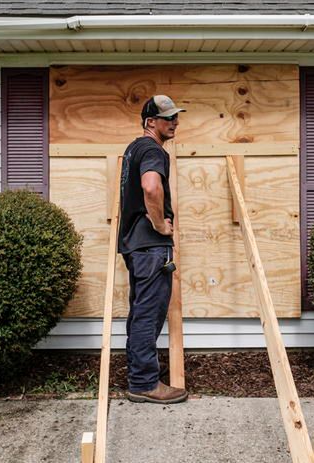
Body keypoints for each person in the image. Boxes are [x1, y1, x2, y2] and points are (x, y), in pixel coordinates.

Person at [118, 95, 188, 404]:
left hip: (136, 247)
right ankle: (145, 383)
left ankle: (138, 378)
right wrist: (160, 225)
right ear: (151, 122)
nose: (175, 122)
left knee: (139, 313)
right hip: (151, 247)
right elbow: (150, 187)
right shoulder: (151, 150)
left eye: (176, 117)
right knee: (148, 314)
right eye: (168, 118)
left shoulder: (133, 149)